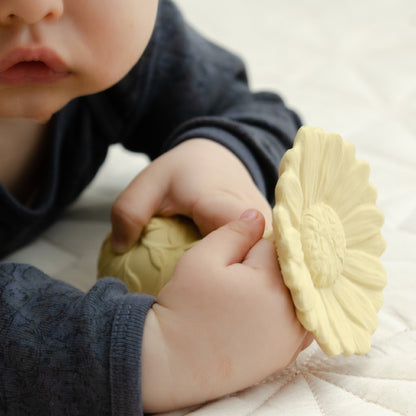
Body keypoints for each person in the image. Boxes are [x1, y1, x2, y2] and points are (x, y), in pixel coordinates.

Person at [0, 0, 311, 414]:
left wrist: (220, 151)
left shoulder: (133, 51)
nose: (32, 7)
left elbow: (253, 111)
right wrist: (157, 354)